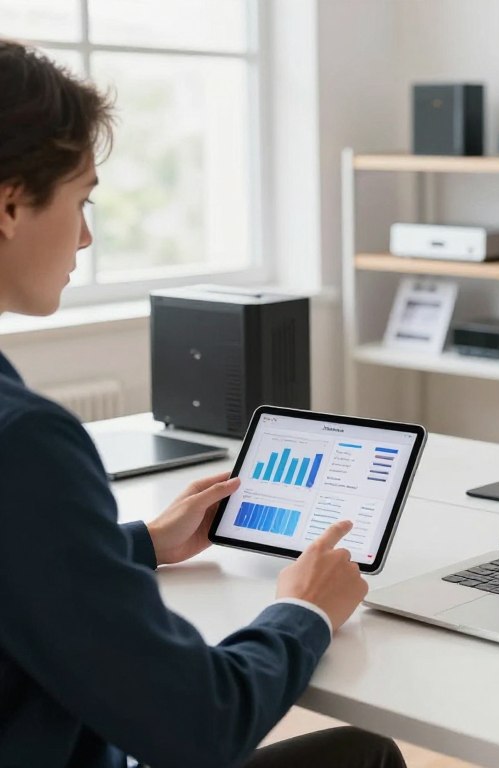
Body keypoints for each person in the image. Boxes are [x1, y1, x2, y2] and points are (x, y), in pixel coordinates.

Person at [0, 40, 405, 768]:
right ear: (8, 204)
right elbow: (198, 725)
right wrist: (304, 608)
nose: (87, 235)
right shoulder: (24, 441)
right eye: (81, 199)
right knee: (365, 756)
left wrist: (139, 544)